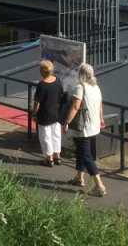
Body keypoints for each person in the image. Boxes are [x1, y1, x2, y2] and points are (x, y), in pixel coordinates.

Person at [64, 63, 107, 196]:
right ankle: (79, 177)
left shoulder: (80, 87)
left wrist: (66, 122)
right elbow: (100, 105)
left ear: (80, 74)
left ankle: (99, 186)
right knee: (81, 152)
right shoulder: (96, 87)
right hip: (94, 125)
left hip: (83, 128)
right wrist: (101, 119)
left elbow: (75, 107)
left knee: (86, 156)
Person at [32, 60, 65, 166]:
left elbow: (37, 102)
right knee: (56, 135)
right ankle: (57, 156)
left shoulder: (41, 85)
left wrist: (34, 113)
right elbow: (61, 95)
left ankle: (49, 158)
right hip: (56, 113)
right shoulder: (58, 81)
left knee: (45, 136)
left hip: (44, 114)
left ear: (42, 71)